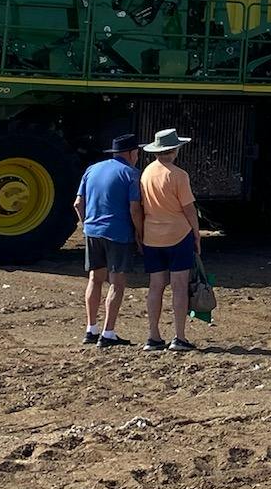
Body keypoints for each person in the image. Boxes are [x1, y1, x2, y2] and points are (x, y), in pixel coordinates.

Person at [76, 132, 143, 347]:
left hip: (93, 231)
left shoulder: (92, 169)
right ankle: (108, 333)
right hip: (118, 233)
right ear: (132, 153)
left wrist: (86, 224)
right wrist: (140, 233)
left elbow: (78, 203)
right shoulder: (131, 174)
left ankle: (91, 329)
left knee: (94, 279)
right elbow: (134, 209)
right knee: (117, 283)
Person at [137, 128, 201, 352]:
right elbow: (189, 209)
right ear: (174, 150)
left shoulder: (146, 173)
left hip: (152, 236)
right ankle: (179, 337)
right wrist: (196, 233)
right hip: (178, 235)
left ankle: (153, 336)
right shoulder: (179, 175)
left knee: (155, 286)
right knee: (179, 286)